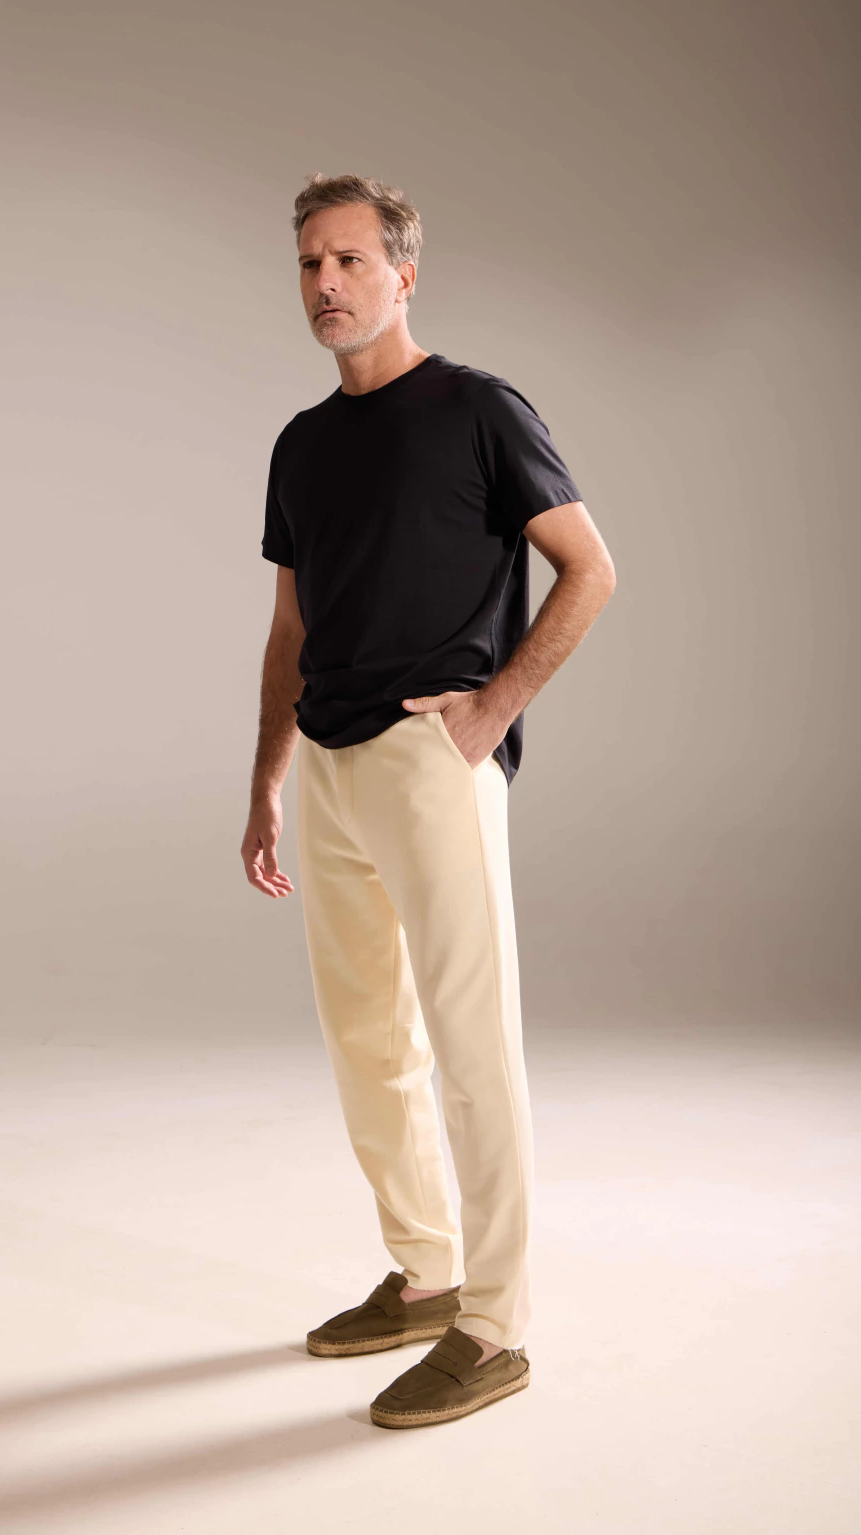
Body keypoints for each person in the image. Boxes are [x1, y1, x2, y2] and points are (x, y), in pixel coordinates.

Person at [240, 173, 616, 1429]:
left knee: (469, 1045)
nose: (325, 282)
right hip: (330, 763)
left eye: (349, 259)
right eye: (309, 262)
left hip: (428, 756)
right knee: (366, 1040)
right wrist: (267, 778)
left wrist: (492, 710)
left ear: (404, 275)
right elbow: (289, 628)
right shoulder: (301, 444)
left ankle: (495, 1326)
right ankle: (424, 1274)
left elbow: (588, 567)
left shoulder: (476, 409)